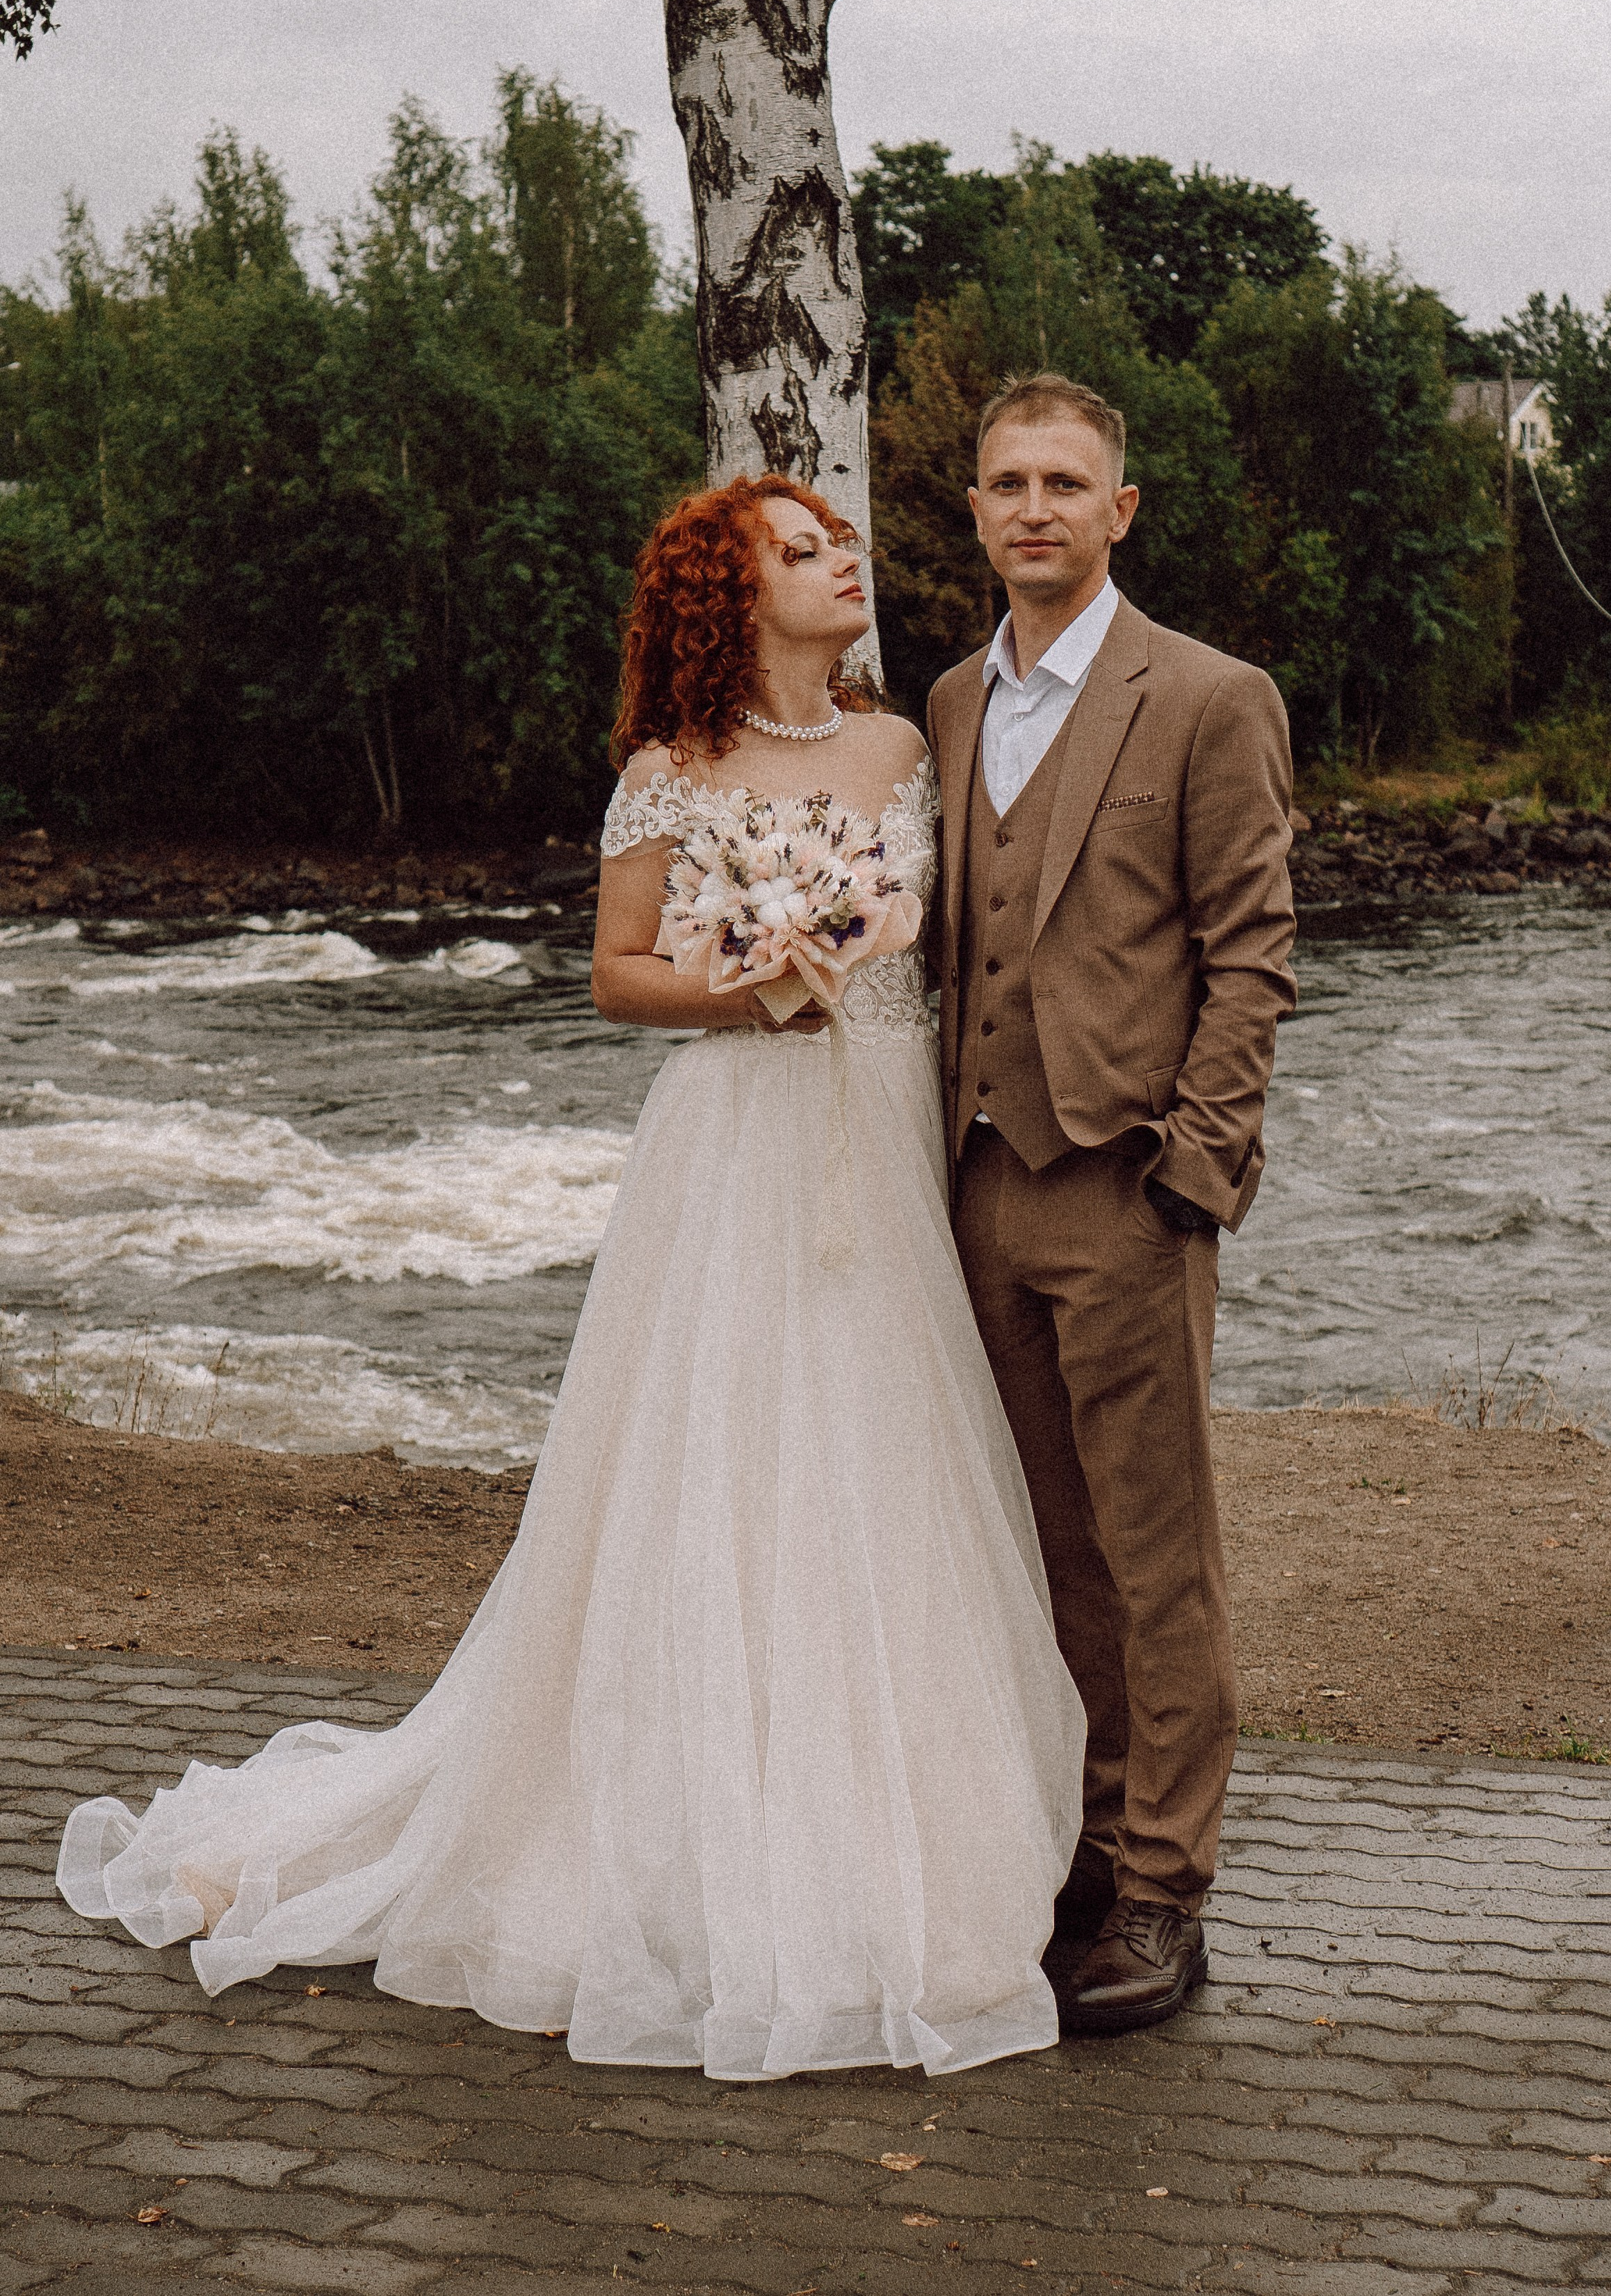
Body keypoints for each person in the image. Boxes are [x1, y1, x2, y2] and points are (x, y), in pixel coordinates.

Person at [57, 471, 1085, 2083]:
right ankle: (671, 1847)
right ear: (733, 598)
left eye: (841, 544)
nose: (845, 564)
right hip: (737, 1143)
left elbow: (952, 947)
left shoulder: (907, 748)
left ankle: (901, 1834)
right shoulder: (668, 774)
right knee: (721, 1470)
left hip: (884, 1146)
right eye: (805, 553)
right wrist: (749, 981)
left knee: (879, 1466)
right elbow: (614, 975)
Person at [928, 374, 1297, 2035]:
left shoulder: (1210, 698)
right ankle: (1082, 1844)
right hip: (975, 1186)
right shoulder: (945, 702)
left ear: (1119, 509)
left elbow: (1251, 956)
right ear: (977, 508)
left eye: (1064, 482)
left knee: (1160, 1562)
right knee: (1045, 1548)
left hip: (1127, 1188)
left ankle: (1166, 1889)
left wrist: (1193, 1178)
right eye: (1006, 482)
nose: (1033, 508)